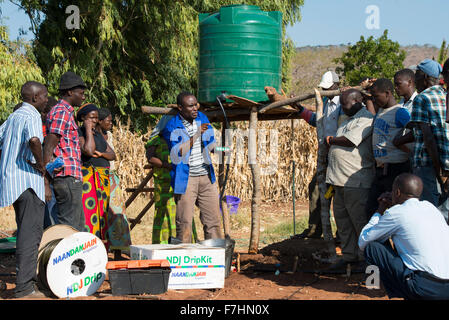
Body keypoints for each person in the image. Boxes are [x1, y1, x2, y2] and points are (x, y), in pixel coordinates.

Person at [359, 173, 449, 300]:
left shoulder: (396, 213)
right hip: (446, 288)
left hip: (424, 289)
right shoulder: (431, 208)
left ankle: (399, 293)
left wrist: (380, 210)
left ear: (397, 192)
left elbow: (363, 241)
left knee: (373, 247)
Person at [0, 81, 49, 298]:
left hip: (12, 182)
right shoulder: (31, 115)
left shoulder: (13, 117)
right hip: (29, 183)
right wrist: (40, 164)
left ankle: (25, 283)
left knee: (24, 233)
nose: (47, 100)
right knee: (30, 235)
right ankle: (25, 288)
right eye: (45, 96)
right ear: (35, 98)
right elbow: (35, 140)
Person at [323, 89, 374, 272]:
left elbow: (350, 141)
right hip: (339, 180)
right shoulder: (346, 118)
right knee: (343, 221)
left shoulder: (366, 119)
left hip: (356, 180)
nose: (343, 108)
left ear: (358, 101)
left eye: (346, 104)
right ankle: (349, 255)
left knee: (359, 221)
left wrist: (330, 139)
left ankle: (365, 258)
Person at [161, 91, 223, 243]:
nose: (195, 108)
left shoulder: (202, 118)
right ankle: (184, 260)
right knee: (185, 222)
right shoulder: (172, 126)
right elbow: (178, 152)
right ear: (181, 108)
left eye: (196, 105)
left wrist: (222, 149)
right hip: (186, 179)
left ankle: (214, 257)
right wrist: (196, 135)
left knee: (213, 220)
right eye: (191, 106)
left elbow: (210, 143)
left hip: (206, 177)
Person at [294, 70, 341, 240]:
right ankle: (314, 229)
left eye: (329, 88)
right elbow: (317, 121)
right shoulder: (326, 104)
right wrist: (300, 109)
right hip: (326, 157)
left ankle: (341, 233)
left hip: (340, 157)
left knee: (338, 194)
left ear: (337, 85)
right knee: (315, 188)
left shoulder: (344, 103)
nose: (326, 91)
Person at [43, 71, 86, 231]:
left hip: (69, 177)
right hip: (66, 177)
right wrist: (46, 179)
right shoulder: (61, 112)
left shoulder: (64, 112)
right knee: (70, 227)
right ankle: (67, 256)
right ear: (69, 92)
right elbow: (49, 144)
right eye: (80, 93)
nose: (83, 97)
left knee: (76, 226)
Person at [403, 59, 448, 209]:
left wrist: (438, 172)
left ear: (425, 77)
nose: (415, 79)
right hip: (445, 162)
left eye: (417, 75)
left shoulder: (421, 99)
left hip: (427, 165)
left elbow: (428, 138)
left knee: (430, 211)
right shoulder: (444, 95)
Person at [146, 114, 198, 244]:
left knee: (183, 210)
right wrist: (167, 165)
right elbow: (150, 158)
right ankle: (162, 244)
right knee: (164, 213)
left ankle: (184, 241)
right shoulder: (156, 140)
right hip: (163, 183)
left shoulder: (180, 139)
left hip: (180, 180)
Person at [365, 78, 411, 219]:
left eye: (376, 96)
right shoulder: (381, 111)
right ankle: (381, 242)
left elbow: (415, 133)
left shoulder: (400, 112)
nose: (374, 99)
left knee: (396, 212)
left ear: (387, 93)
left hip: (396, 169)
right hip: (381, 170)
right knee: (372, 209)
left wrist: (401, 144)